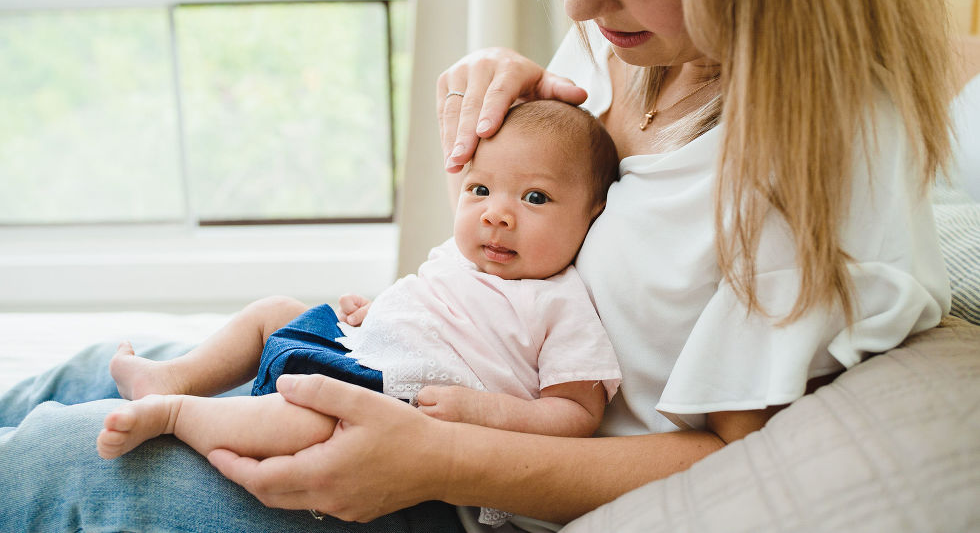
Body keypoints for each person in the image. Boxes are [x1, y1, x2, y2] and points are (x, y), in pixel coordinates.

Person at [0, 0, 954, 531]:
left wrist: (436, 462)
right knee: (80, 373)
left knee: (52, 462)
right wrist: (525, 97)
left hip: (454, 489)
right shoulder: (633, 45)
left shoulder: (818, 163)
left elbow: (728, 461)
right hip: (394, 381)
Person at [94, 100, 622, 526]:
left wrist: (485, 413)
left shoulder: (562, 302)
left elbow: (576, 415)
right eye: (479, 189)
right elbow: (426, 302)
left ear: (591, 212)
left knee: (300, 422)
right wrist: (376, 307)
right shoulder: (460, 255)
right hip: (359, 348)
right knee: (274, 311)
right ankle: (170, 377)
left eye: (535, 197)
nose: (496, 214)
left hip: (395, 402)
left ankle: (175, 415)